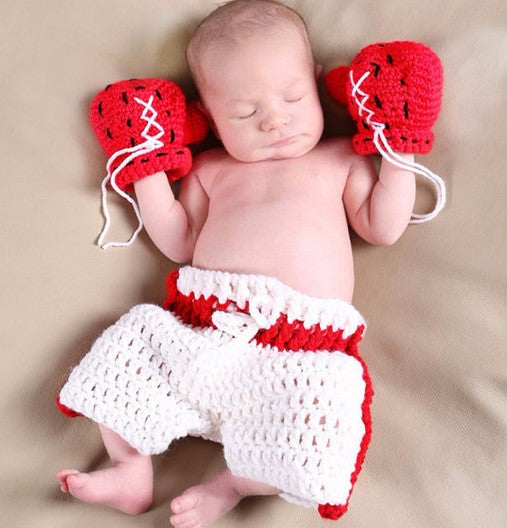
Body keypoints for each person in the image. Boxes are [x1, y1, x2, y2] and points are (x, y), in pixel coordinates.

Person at [56, 1, 424, 526]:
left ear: (316, 84)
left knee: (316, 424)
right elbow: (180, 241)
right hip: (197, 326)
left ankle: (227, 488)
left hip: (301, 346)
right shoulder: (211, 168)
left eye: (293, 97)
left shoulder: (339, 158)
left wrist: (396, 146)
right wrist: (147, 167)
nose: (275, 119)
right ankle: (130, 471)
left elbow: (382, 227)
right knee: (126, 357)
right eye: (245, 113)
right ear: (205, 116)